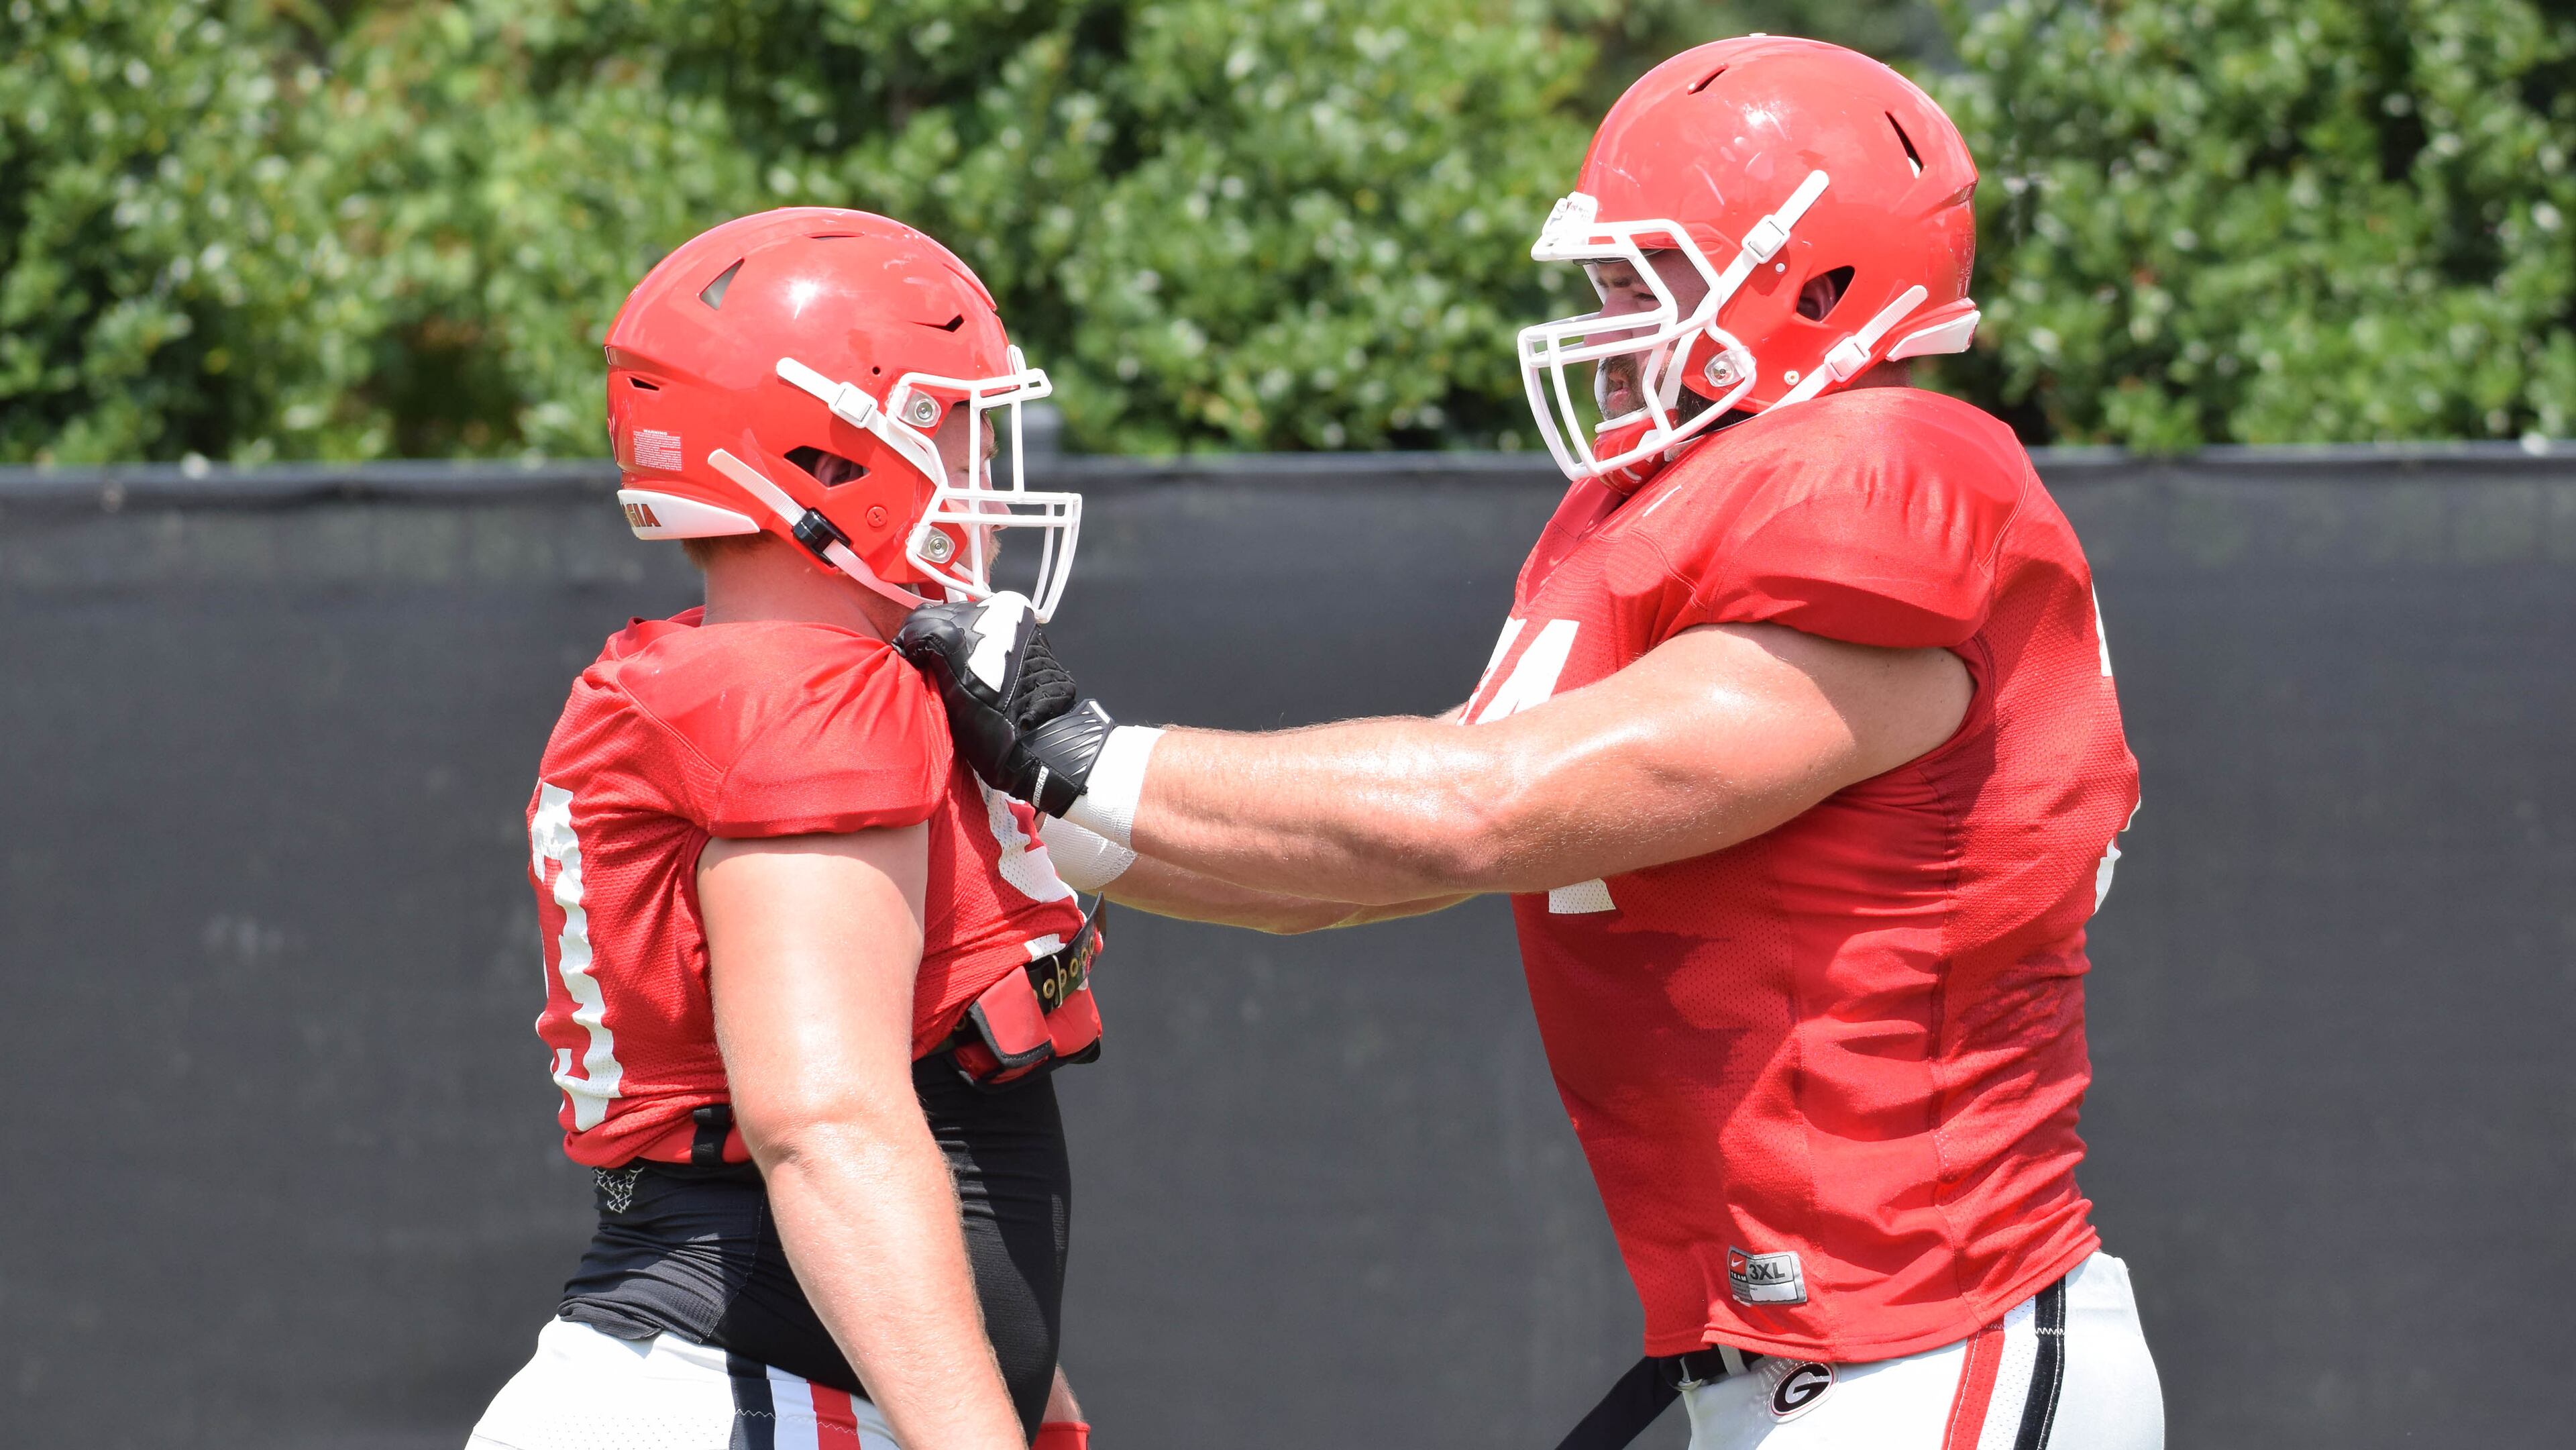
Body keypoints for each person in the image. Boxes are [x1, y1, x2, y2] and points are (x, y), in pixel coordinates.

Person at [897, 37, 2165, 1450]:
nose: (1608, 315)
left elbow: (1478, 812)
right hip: (1793, 1366)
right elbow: (1376, 867)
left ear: (1819, 274)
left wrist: (1071, 747)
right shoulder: (1665, 508)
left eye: (1647, 275)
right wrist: (1063, 812)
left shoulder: (1888, 466)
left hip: (1936, 1342)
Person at [468, 208, 1100, 1450]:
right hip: (745, 1391)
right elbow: (827, 1123)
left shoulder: (761, 676)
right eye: (950, 425)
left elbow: (941, 1126)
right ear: (828, 455)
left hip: (739, 1382)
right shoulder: (803, 695)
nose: (979, 470)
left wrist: (1038, 1405)